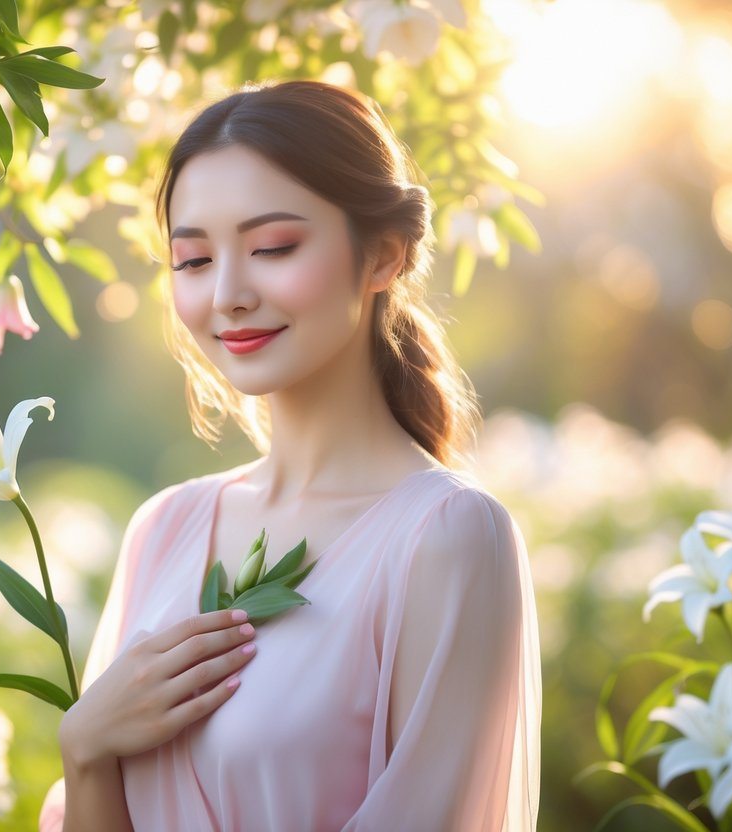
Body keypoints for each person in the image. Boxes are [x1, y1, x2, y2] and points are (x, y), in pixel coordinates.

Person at [40, 78, 541, 832]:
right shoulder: (165, 528)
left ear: (383, 256)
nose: (229, 294)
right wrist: (84, 750)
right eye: (194, 261)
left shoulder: (444, 538)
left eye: (272, 247)